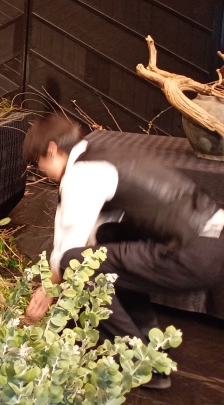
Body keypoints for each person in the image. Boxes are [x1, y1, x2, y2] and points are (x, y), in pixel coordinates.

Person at [22, 114, 224, 387]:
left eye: (39, 163)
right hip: (213, 244)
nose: (43, 172)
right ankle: (149, 339)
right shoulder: (108, 154)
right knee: (108, 238)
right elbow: (97, 234)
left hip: (193, 253)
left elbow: (70, 251)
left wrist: (47, 291)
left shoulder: (82, 172)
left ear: (52, 150)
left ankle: (140, 364)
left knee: (75, 263)